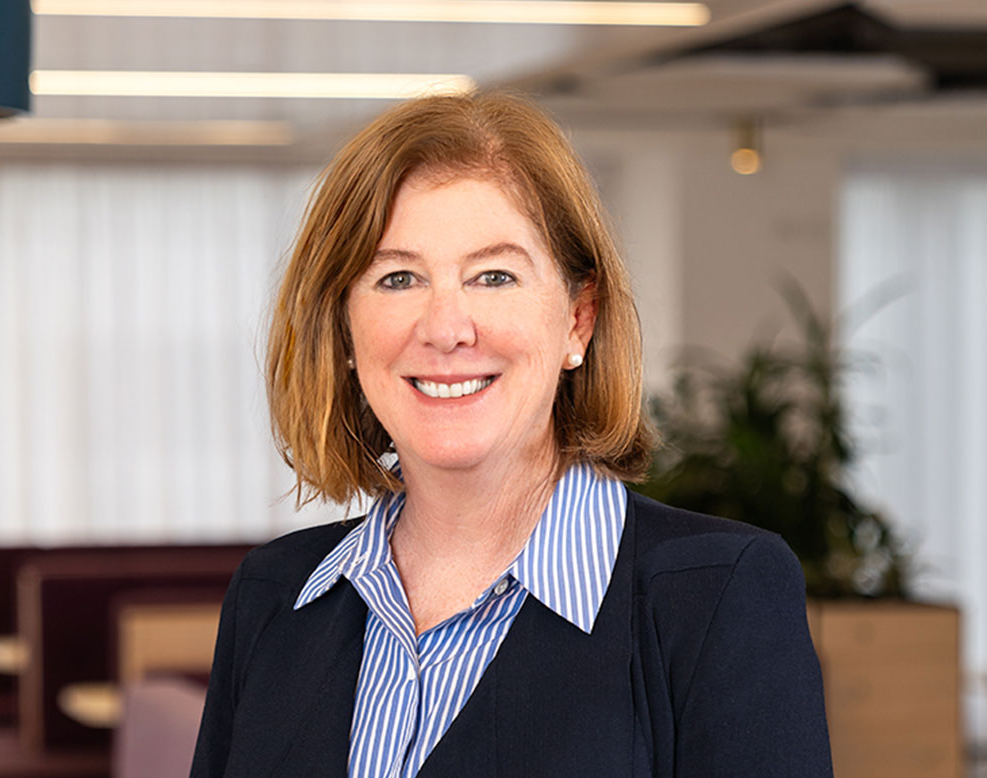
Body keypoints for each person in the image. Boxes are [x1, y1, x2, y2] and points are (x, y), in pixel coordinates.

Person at [189, 91, 833, 778]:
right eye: (398, 277)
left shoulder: (716, 596)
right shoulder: (272, 597)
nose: (445, 327)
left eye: (494, 276)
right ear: (345, 329)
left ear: (577, 322)